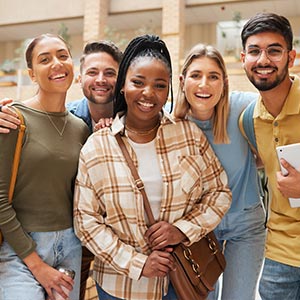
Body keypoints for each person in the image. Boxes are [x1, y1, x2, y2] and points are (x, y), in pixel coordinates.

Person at [73, 34, 232, 300]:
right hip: (120, 287)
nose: (148, 93)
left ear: (169, 89)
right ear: (122, 86)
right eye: (138, 82)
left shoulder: (188, 135)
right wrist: (137, 263)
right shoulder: (96, 147)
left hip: (180, 281)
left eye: (160, 85)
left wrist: (181, 229)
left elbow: (219, 193)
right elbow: (86, 221)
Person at [0, 40, 123, 300]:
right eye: (45, 59)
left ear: (71, 66)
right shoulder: (13, 118)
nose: (56, 63)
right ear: (32, 73)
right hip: (21, 248)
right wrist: (35, 263)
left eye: (62, 55)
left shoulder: (80, 128)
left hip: (70, 246)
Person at [174, 43, 266, 300]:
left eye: (213, 76)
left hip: (245, 225)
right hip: (199, 229)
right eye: (196, 75)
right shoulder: (170, 126)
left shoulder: (244, 108)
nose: (204, 84)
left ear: (224, 82)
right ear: (182, 81)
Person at [240, 13, 300, 300]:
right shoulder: (248, 120)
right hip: (280, 251)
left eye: (274, 50)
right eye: (254, 51)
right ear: (243, 59)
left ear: (291, 56)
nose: (263, 60)